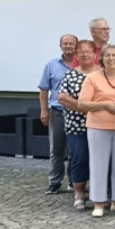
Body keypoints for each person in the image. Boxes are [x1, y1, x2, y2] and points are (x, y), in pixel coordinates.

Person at [78, 44, 115, 218]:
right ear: (101, 59)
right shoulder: (92, 78)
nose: (111, 59)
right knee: (98, 164)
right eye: (107, 55)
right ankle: (98, 202)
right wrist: (105, 105)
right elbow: (82, 104)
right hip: (98, 126)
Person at [57, 39, 97, 210]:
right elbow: (62, 98)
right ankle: (79, 192)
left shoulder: (101, 74)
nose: (85, 54)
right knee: (79, 158)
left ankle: (98, 193)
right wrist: (85, 108)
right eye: (81, 52)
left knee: (99, 160)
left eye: (88, 51)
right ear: (77, 55)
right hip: (76, 125)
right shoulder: (70, 74)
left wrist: (91, 109)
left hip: (99, 125)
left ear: (95, 54)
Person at [38, 33, 77, 194]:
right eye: (65, 44)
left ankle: (74, 182)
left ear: (76, 46)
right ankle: (54, 182)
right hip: (57, 112)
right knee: (56, 149)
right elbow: (43, 89)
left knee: (76, 149)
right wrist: (44, 111)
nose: (68, 46)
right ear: (60, 46)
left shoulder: (81, 65)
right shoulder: (51, 65)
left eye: (71, 44)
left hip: (77, 113)